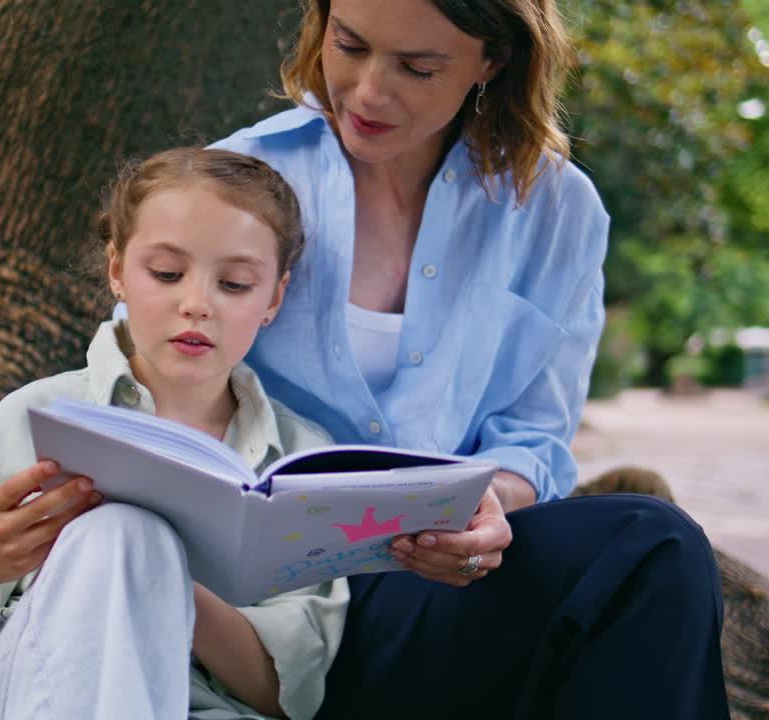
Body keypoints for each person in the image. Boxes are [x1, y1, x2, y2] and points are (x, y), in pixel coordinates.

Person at [208, 0, 731, 717]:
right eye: (349, 45)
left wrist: (492, 508)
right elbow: (141, 387)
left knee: (655, 547)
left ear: (495, 60)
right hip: (275, 607)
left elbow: (534, 436)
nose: (366, 91)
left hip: (445, 584)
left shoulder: (557, 211)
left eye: (418, 68)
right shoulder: (235, 181)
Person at [0, 148, 349, 720]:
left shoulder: (304, 462)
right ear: (116, 270)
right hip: (20, 696)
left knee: (131, 539)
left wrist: (156, 582)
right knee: (115, 533)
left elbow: (282, 694)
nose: (197, 305)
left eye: (235, 284)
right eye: (166, 274)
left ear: (274, 298)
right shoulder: (30, 418)